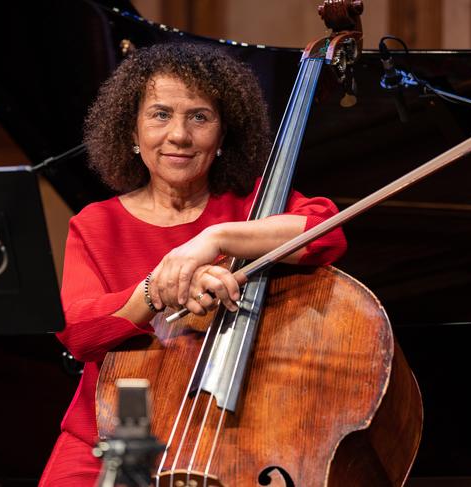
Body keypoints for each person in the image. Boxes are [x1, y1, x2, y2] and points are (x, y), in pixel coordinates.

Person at [38, 42, 347, 486]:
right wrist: (155, 290)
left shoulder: (254, 205)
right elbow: (78, 332)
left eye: (199, 117)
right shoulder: (95, 224)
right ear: (132, 131)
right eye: (160, 114)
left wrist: (214, 238)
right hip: (107, 435)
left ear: (223, 136)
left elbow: (327, 231)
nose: (179, 135)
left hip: (231, 434)